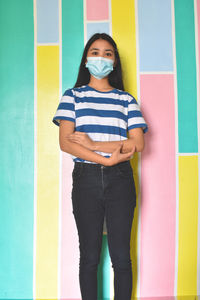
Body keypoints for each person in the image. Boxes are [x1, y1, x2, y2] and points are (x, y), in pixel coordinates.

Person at [52, 33, 148, 300]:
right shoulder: (72, 96)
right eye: (95, 52)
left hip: (120, 179)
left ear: (115, 62)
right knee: (90, 256)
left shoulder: (126, 100)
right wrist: (109, 156)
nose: (101, 58)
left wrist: (94, 143)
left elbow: (137, 143)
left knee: (121, 256)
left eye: (108, 53)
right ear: (85, 60)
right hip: (86, 178)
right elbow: (66, 143)